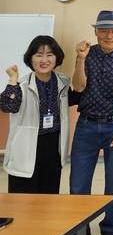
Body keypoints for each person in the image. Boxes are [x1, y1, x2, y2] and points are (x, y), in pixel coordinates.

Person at [70, 10, 113, 235]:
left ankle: (109, 232)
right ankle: (81, 231)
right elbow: (78, 87)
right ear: (96, 32)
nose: (109, 35)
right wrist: (80, 59)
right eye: (104, 30)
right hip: (86, 126)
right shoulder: (86, 54)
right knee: (78, 185)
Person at [1, 36, 69, 194]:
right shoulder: (21, 85)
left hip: (53, 146)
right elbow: (7, 106)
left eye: (49, 55)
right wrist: (12, 79)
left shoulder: (63, 82)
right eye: (39, 55)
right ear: (30, 58)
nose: (44, 60)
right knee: (22, 198)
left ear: (57, 58)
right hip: (26, 146)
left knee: (48, 197)